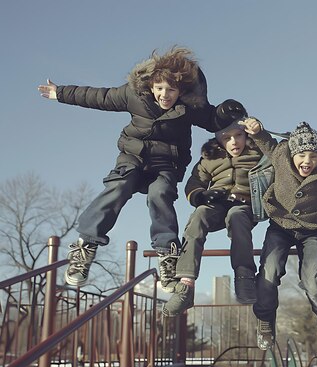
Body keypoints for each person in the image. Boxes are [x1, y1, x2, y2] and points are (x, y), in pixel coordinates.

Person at [37, 47, 246, 288]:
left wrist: (226, 112)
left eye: (171, 90)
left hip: (166, 163)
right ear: (151, 87)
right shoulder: (133, 95)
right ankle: (86, 246)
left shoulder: (189, 108)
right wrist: (60, 93)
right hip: (133, 157)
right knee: (119, 186)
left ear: (181, 91)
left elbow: (212, 121)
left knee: (161, 194)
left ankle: (167, 252)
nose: (165, 95)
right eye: (159, 89)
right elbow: (98, 97)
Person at [241, 118, 317, 350]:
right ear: (292, 155)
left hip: (311, 229)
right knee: (268, 273)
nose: (307, 161)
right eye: (302, 156)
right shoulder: (281, 154)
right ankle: (265, 320)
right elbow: (265, 141)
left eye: (313, 156)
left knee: (313, 279)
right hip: (280, 225)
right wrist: (257, 130)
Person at [161, 118, 263, 316]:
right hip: (217, 203)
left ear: (246, 135)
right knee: (199, 215)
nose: (234, 142)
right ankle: (186, 286)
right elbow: (194, 183)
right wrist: (201, 195)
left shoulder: (257, 152)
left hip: (244, 205)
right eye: (227, 138)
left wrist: (260, 132)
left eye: (239, 135)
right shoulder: (210, 158)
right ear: (218, 140)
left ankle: (244, 276)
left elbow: (278, 154)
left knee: (237, 217)